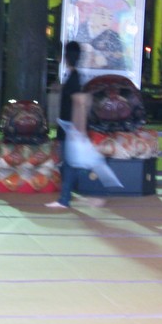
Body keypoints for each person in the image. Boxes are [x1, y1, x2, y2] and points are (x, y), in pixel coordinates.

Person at [47, 40, 104, 209]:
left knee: (73, 165)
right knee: (70, 164)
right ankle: (67, 197)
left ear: (66, 57)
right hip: (69, 127)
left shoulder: (74, 77)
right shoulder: (73, 76)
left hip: (70, 128)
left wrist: (79, 130)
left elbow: (80, 102)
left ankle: (92, 194)